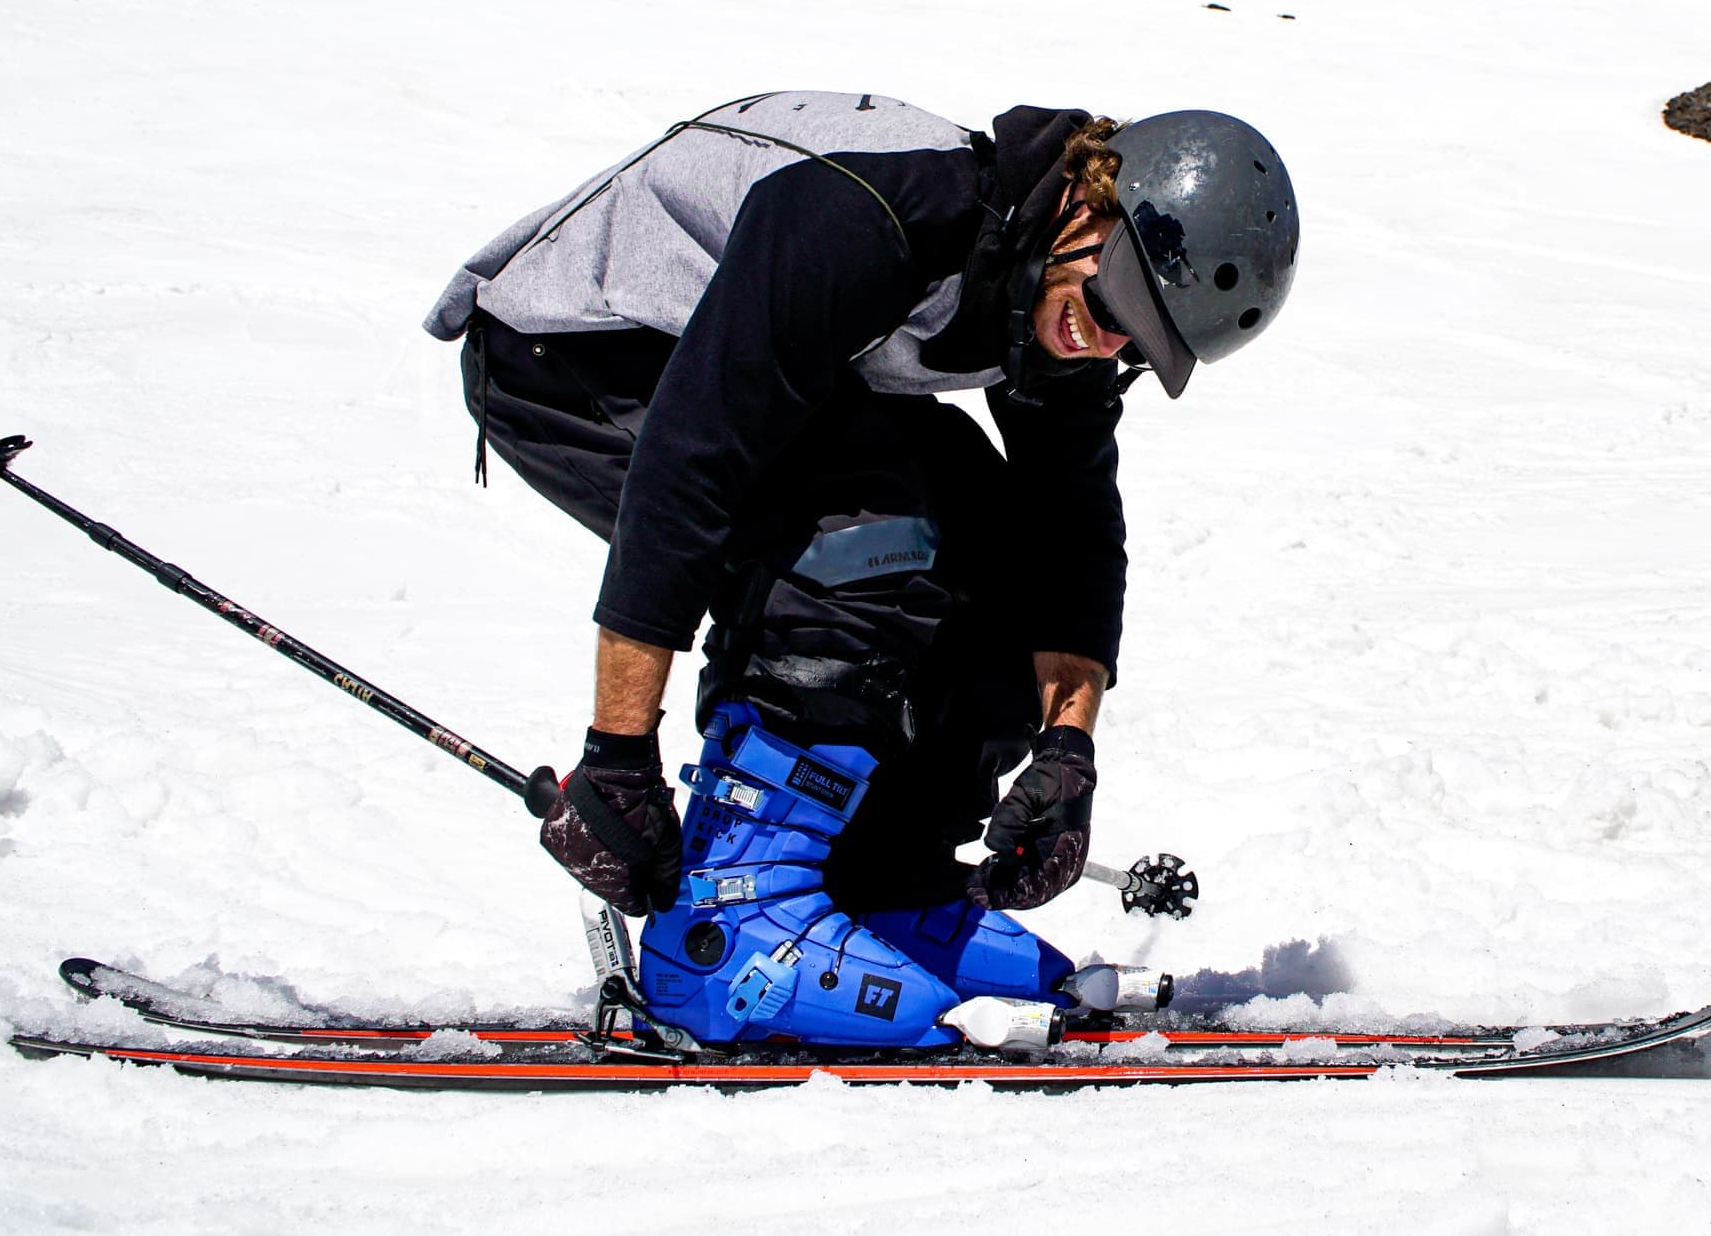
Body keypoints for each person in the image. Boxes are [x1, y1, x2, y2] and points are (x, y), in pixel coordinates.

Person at [424, 90, 1297, 1049]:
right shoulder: (873, 218)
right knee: (866, 538)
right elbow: (691, 464)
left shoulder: (1056, 288)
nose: (1107, 340)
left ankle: (880, 890)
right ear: (1086, 213)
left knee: (993, 535)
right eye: (1109, 306)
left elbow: (1072, 531)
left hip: (729, 379)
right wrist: (618, 759)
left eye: (1144, 343)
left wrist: (1067, 754)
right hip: (572, 354)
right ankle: (727, 929)